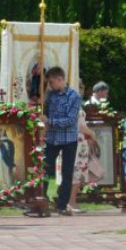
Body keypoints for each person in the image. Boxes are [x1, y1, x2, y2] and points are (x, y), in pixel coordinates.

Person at [43, 66, 83, 215]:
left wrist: (50, 121)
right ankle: (43, 199)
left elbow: (71, 120)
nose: (50, 85)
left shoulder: (74, 96)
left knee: (67, 173)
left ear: (60, 79)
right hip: (52, 139)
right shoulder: (50, 95)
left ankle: (62, 205)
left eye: (52, 82)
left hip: (69, 139)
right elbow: (44, 111)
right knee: (45, 169)